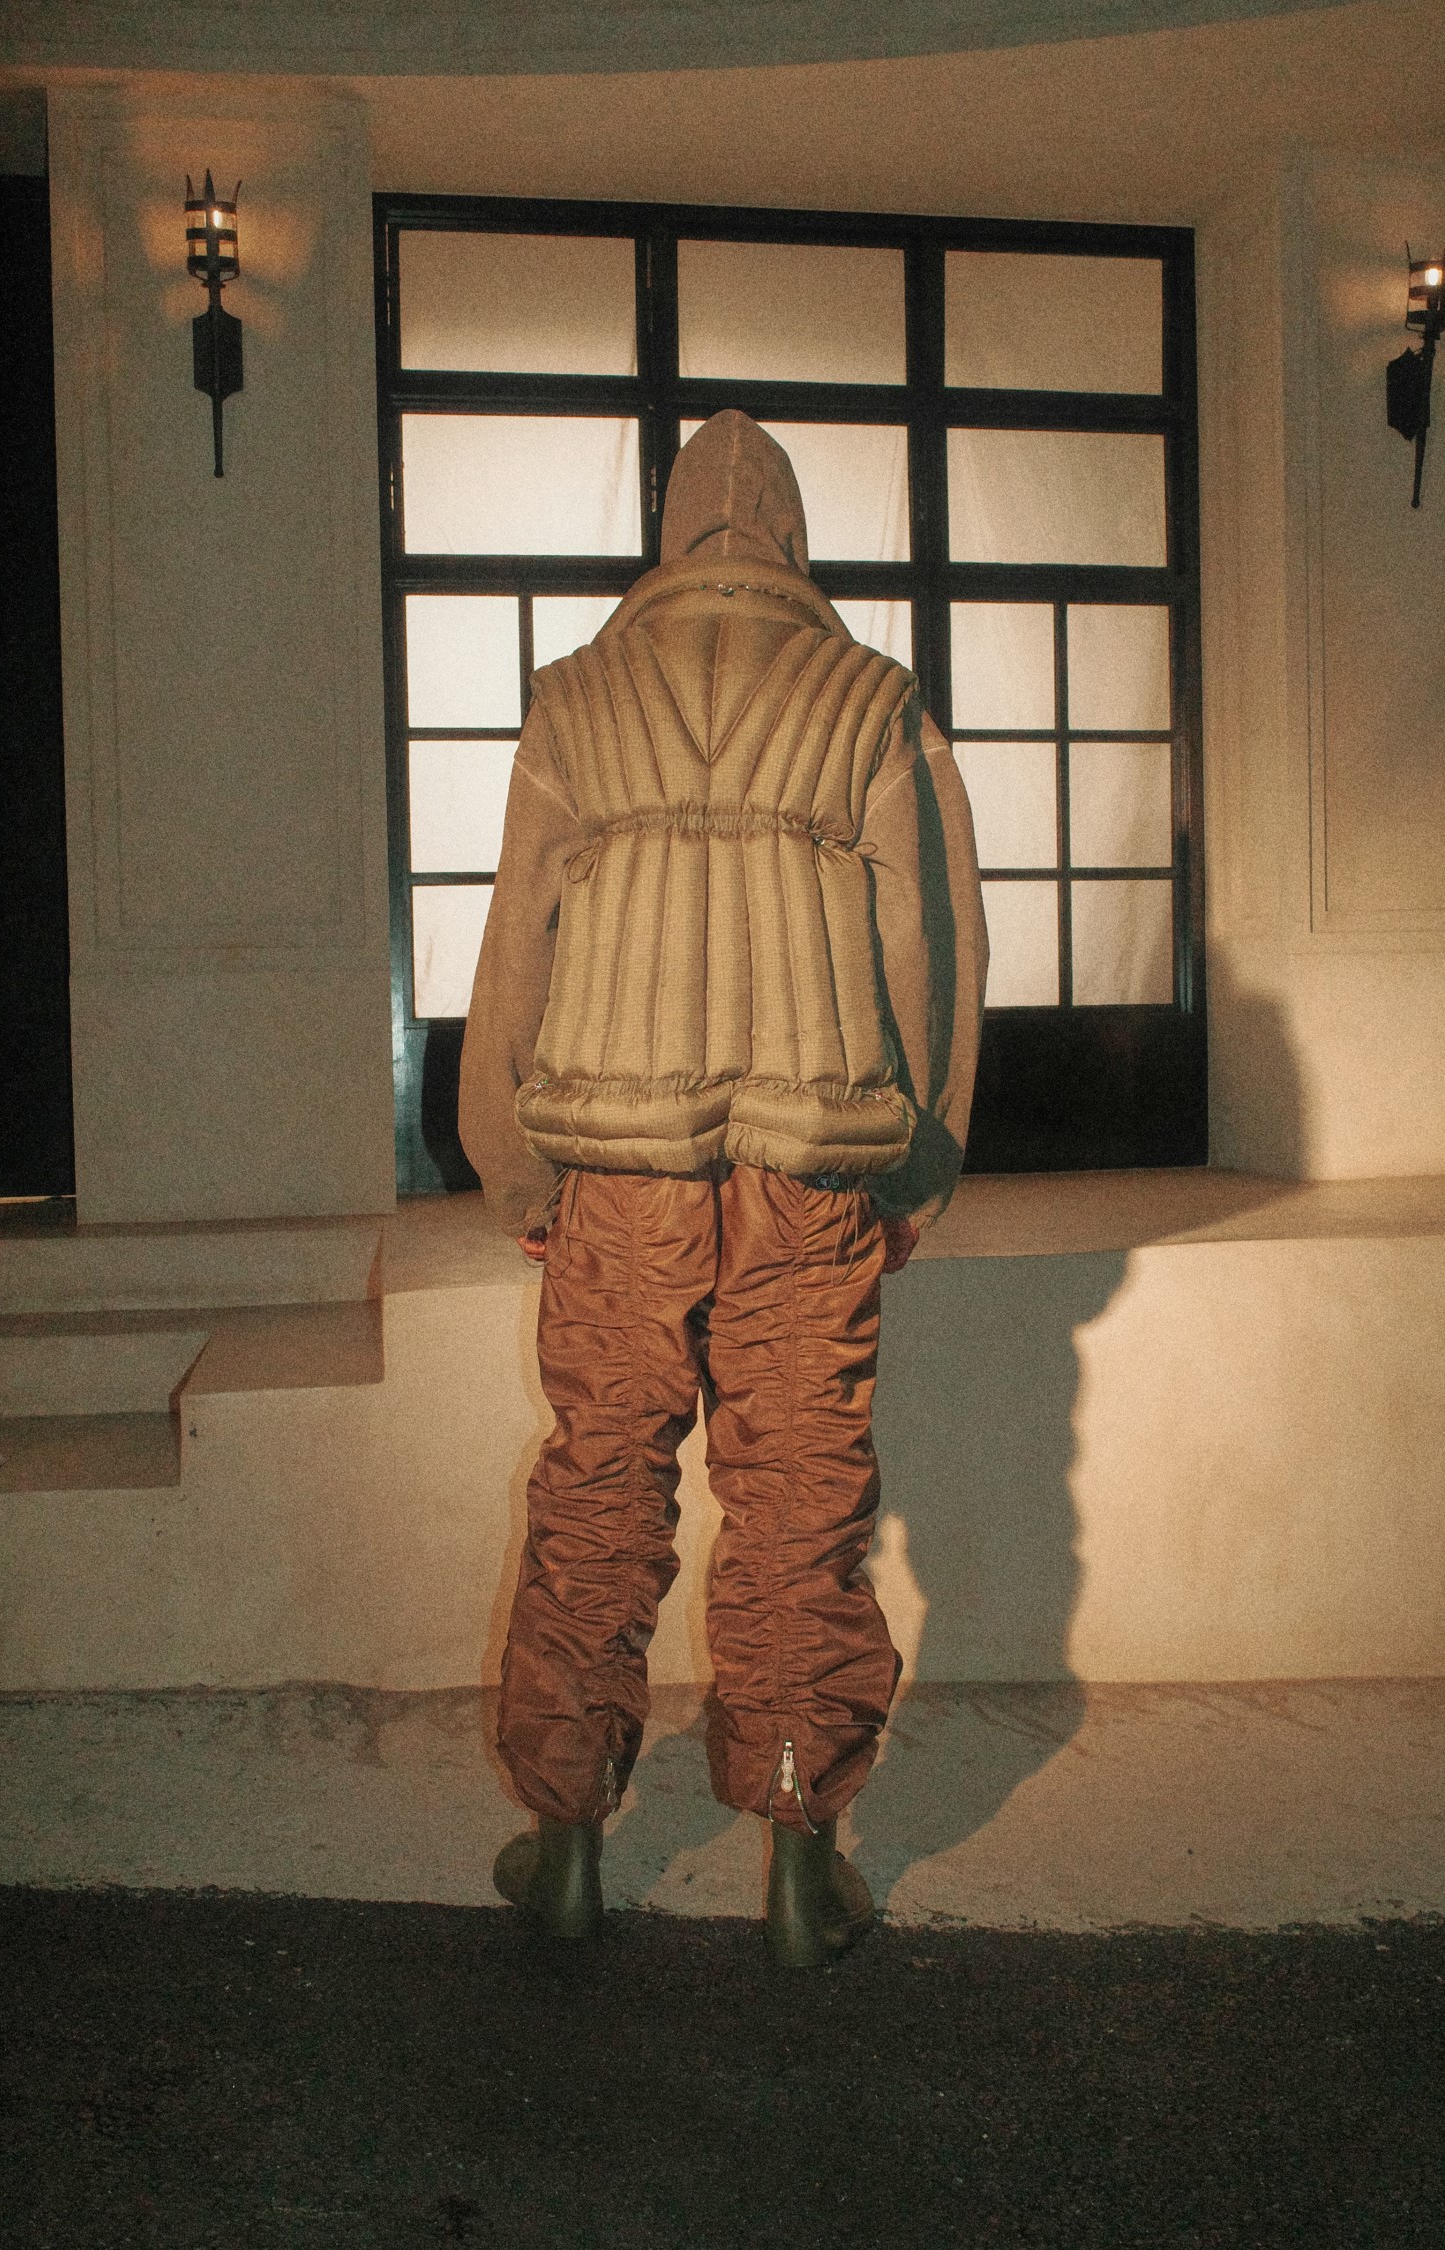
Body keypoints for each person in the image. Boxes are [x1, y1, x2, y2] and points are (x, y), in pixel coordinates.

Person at [459, 410, 987, 1965]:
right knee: (801, 1492)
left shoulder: (578, 696)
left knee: (600, 1479)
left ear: (673, 527)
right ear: (794, 534)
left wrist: (516, 1169)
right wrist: (918, 1165)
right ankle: (801, 1861)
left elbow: (513, 952)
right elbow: (933, 950)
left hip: (618, 1164)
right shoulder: (871, 697)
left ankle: (568, 1844)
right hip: (810, 1162)